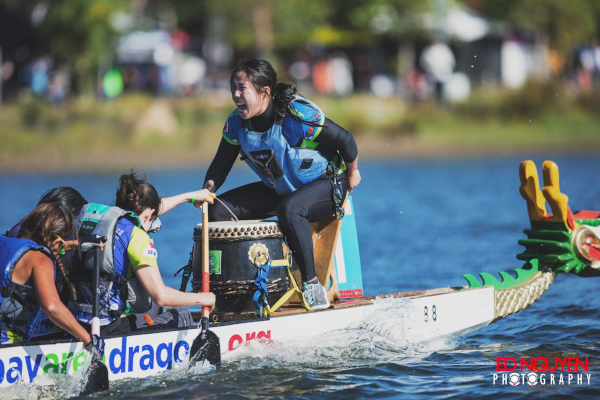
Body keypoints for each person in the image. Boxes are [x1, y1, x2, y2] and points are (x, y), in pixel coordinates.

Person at [204, 58, 361, 311]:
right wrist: (207, 191)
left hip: (329, 184)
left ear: (264, 92)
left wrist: (353, 174)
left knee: (289, 209)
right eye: (233, 87)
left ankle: (312, 286)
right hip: (282, 189)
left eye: (242, 88)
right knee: (216, 211)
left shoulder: (296, 117)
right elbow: (220, 166)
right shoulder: (236, 124)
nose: (235, 95)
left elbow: (347, 140)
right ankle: (231, 291)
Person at [67, 171, 217, 335]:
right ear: (148, 214)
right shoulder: (137, 238)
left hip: (75, 321)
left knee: (151, 305)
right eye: (153, 217)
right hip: (111, 327)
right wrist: (202, 298)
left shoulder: (101, 220)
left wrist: (192, 196)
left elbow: (152, 209)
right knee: (181, 314)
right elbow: (161, 296)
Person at [0, 203, 102, 354]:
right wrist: (89, 340)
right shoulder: (40, 259)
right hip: (6, 342)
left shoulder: (4, 241)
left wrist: (75, 244)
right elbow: (52, 307)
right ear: (55, 238)